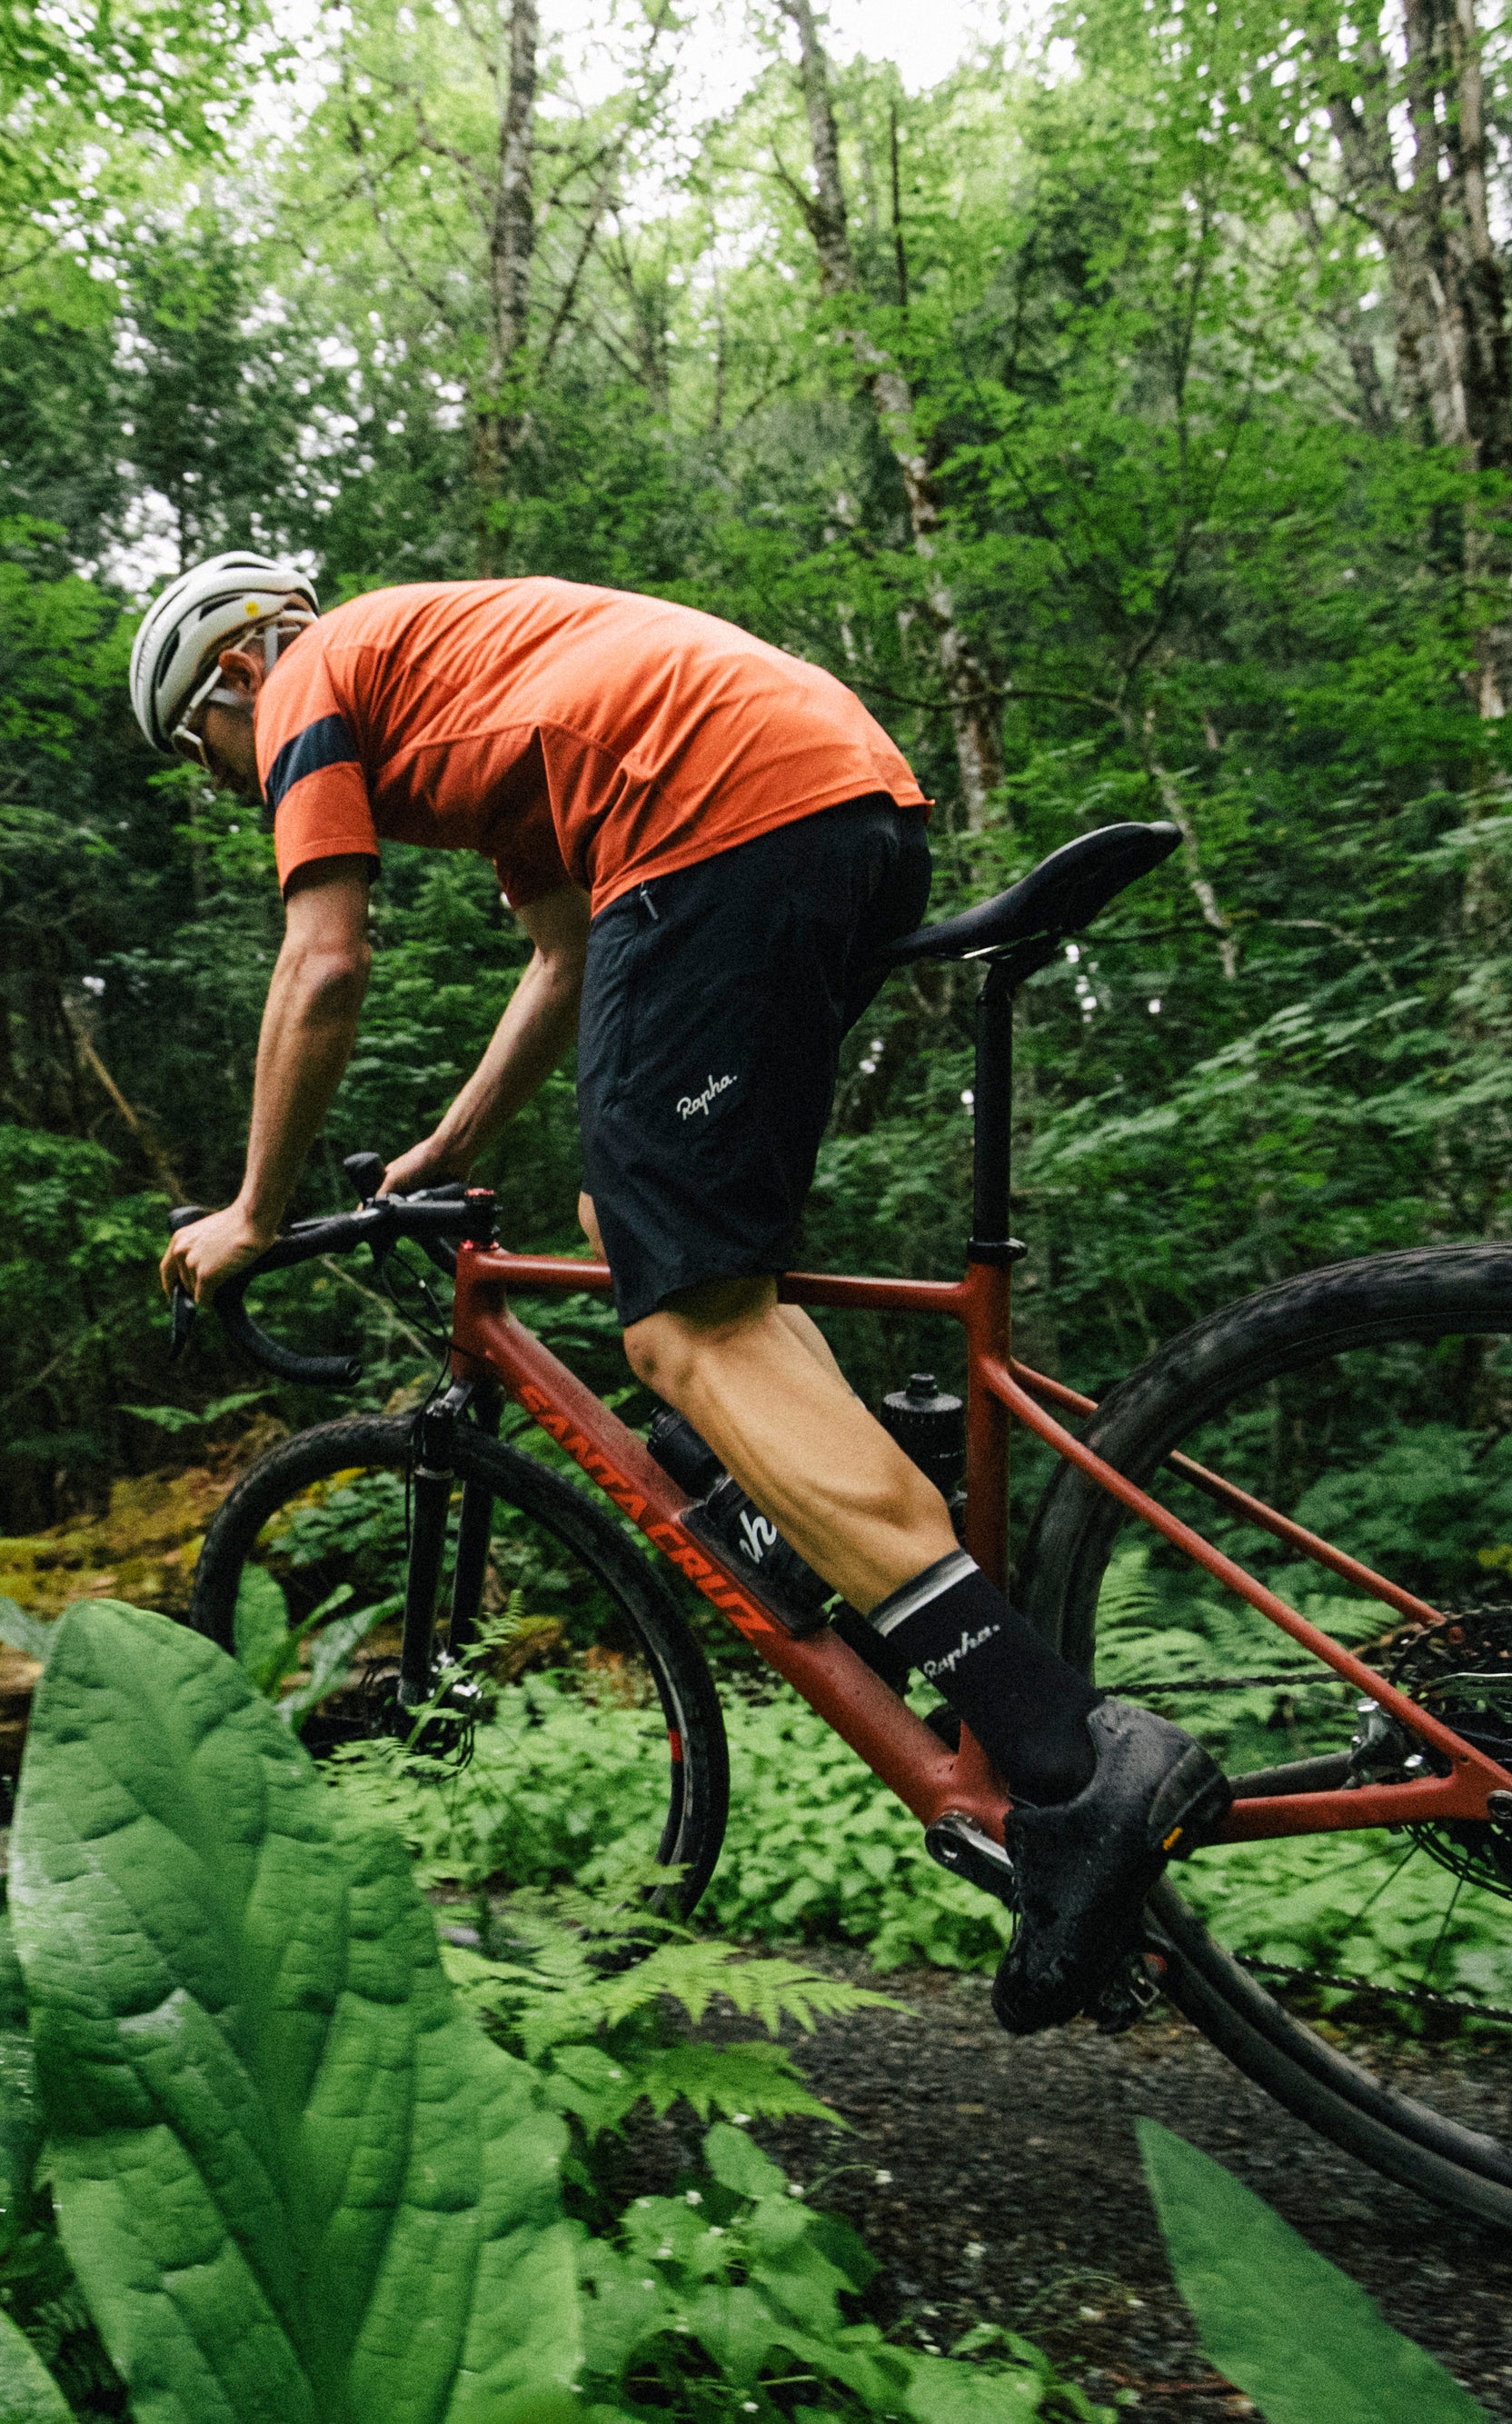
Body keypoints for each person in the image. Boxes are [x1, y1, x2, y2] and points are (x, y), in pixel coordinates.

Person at [135, 554, 1226, 2035]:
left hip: (721, 817)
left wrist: (252, 1215)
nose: (227, 790)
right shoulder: (472, 696)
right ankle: (820, 1495)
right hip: (824, 801)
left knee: (680, 1329)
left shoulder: (315, 676)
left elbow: (322, 963)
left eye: (204, 759)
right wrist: (450, 1145)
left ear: (234, 677)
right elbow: (568, 955)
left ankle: (1065, 1758)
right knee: (653, 1225)